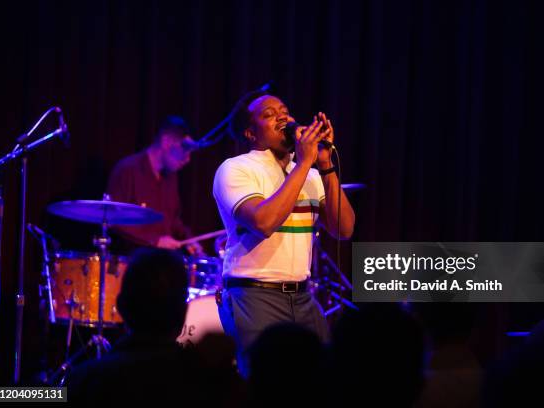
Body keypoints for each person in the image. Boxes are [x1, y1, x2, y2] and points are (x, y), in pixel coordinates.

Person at [213, 90, 355, 376]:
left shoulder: (311, 175)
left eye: (285, 111)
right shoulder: (236, 169)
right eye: (268, 114)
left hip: (303, 297)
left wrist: (324, 163)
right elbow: (264, 222)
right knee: (264, 385)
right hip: (254, 295)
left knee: (321, 381)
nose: (283, 117)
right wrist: (304, 163)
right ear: (250, 134)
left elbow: (344, 229)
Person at [67, 248, 242, 403]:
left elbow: (44, 396)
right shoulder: (211, 383)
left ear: (121, 306)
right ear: (183, 311)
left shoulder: (84, 380)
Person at [106, 115, 202, 254]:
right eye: (185, 149)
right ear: (166, 141)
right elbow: (114, 220)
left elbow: (172, 221)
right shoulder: (127, 170)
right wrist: (154, 241)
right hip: (130, 264)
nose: (188, 159)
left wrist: (189, 239)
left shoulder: (171, 176)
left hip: (161, 263)